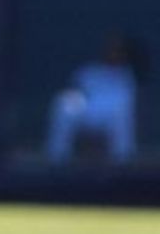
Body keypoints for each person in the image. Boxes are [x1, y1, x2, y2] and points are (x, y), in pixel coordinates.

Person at [46, 34, 139, 164]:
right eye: (110, 50)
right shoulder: (89, 71)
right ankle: (57, 157)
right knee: (64, 103)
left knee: (122, 112)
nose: (113, 54)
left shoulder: (125, 75)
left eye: (117, 51)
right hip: (86, 111)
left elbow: (126, 100)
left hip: (110, 115)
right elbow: (75, 91)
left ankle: (121, 160)